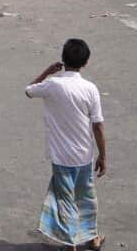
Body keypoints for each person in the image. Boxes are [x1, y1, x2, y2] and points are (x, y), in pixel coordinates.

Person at [26, 39, 107, 251]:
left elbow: (29, 90)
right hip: (84, 155)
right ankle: (93, 237)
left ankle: (70, 243)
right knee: (86, 198)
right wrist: (103, 156)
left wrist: (47, 72)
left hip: (62, 158)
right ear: (85, 61)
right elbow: (97, 126)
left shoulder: (52, 85)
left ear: (63, 59)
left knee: (65, 201)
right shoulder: (90, 88)